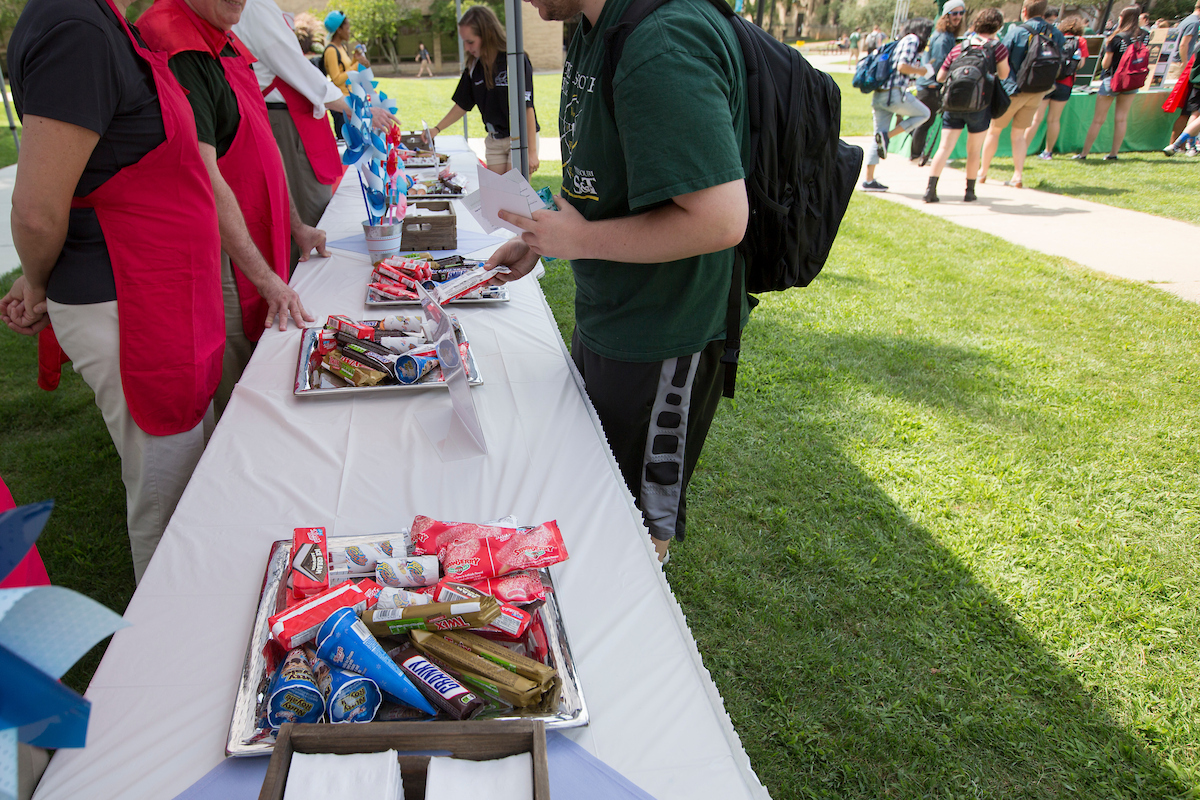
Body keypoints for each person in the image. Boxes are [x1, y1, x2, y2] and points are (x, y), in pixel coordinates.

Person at [488, 0, 751, 562]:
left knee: (634, 528)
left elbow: (721, 219)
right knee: (597, 496)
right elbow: (601, 181)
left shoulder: (661, 41)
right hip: (610, 314)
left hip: (662, 332)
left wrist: (580, 242)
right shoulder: (590, 28)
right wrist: (545, 238)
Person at [1, 0, 224, 582]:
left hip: (159, 297)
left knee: (185, 480)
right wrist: (38, 283)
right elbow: (34, 210)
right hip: (132, 303)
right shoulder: (76, 27)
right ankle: (172, 642)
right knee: (166, 496)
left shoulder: (102, 22)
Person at [138, 0, 322, 415]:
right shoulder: (178, 44)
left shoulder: (223, 33)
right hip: (223, 251)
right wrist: (264, 277)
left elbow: (262, 143)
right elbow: (202, 175)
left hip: (258, 231)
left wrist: (296, 226)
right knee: (239, 374)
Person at [232, 0, 351, 267]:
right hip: (283, 120)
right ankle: (310, 298)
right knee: (311, 219)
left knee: (315, 213)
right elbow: (295, 67)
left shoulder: (265, 8)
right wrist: (348, 106)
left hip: (294, 117)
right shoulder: (256, 8)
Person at [428, 6, 539, 174]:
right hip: (494, 141)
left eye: (470, 42)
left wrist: (531, 152)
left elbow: (527, 106)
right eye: (464, 41)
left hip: (518, 138)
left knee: (513, 194)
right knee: (495, 196)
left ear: (487, 35)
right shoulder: (474, 66)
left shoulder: (514, 59)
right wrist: (436, 129)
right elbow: (462, 104)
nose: (466, 48)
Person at [924, 7, 1011, 203]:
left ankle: (930, 190)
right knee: (974, 150)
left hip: (953, 104)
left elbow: (941, 76)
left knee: (944, 147)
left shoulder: (959, 47)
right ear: (998, 26)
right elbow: (1004, 74)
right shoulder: (997, 48)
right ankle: (969, 192)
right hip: (980, 105)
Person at [979, 0, 1065, 187]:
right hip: (1038, 91)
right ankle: (1018, 176)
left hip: (1012, 90)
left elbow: (1001, 57)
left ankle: (983, 172)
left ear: (1024, 11)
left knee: (994, 131)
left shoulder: (1017, 31)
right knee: (1019, 135)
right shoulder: (1055, 33)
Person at [861, 18, 934, 191]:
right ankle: (888, 137)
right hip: (894, 94)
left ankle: (869, 180)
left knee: (877, 136)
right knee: (924, 114)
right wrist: (922, 71)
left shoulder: (899, 41)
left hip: (879, 95)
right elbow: (902, 66)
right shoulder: (912, 39)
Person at [1074, 6, 1148, 160]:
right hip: (1132, 80)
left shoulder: (1117, 37)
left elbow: (1105, 64)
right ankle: (1114, 154)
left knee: (1098, 119)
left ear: (1123, 17)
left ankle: (1084, 154)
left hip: (1112, 79)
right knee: (1121, 118)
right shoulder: (1144, 35)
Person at [911, 0, 966, 164]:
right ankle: (916, 155)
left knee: (925, 121)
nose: (958, 17)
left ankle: (917, 154)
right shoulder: (943, 38)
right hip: (931, 86)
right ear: (946, 16)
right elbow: (939, 64)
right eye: (954, 13)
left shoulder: (945, 36)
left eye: (961, 13)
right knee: (925, 122)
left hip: (929, 85)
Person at [1030, 14, 1088, 159]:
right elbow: (1081, 64)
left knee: (1036, 118)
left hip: (1048, 81)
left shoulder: (1054, 36)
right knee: (1054, 119)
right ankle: (1048, 152)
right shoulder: (1081, 41)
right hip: (1066, 83)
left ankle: (1022, 147)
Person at [323, 10, 370, 138]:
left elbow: (346, 70)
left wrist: (356, 59)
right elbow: (337, 79)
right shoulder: (331, 51)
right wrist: (356, 65)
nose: (349, 31)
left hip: (350, 100)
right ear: (339, 30)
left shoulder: (341, 48)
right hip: (341, 106)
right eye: (347, 28)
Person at [1170, 0, 1200, 141]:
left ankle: (1179, 143)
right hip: (1181, 66)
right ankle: (1179, 143)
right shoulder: (1194, 23)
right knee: (1186, 109)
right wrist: (1185, 63)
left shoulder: (1187, 20)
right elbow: (1183, 44)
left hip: (1178, 64)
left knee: (1187, 109)